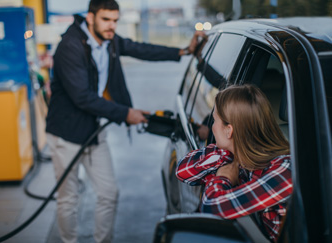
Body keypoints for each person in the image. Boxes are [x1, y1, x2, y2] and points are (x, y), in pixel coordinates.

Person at [45, 0, 205, 242]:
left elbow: (140, 49)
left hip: (93, 130)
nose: (112, 26)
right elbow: (82, 97)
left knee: (109, 193)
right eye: (106, 20)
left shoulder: (110, 40)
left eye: (115, 20)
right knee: (68, 199)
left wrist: (182, 51)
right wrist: (125, 113)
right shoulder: (70, 47)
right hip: (66, 134)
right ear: (90, 18)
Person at [176, 84, 292, 242]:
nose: (212, 127)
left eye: (214, 120)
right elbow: (183, 171)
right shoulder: (239, 159)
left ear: (229, 130)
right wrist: (225, 151)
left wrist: (223, 178)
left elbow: (212, 208)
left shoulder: (285, 170)